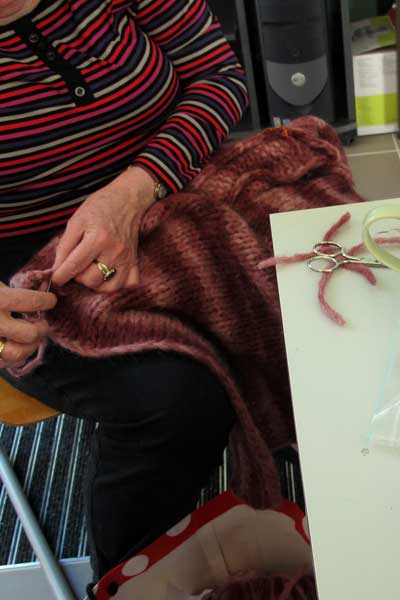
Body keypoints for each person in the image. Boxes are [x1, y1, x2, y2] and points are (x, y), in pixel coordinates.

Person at [0, 0, 248, 579]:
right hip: (23, 263)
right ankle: (130, 582)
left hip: (171, 190)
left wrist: (136, 190)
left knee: (323, 296)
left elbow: (218, 75)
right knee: (175, 401)